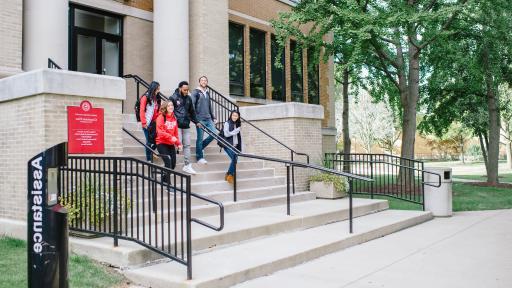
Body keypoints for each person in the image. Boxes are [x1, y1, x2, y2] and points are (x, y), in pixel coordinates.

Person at [170, 81, 201, 174]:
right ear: (180, 88)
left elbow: (192, 111)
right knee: (178, 144)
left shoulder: (189, 98)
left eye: (187, 90)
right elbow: (169, 111)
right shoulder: (173, 98)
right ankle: (171, 163)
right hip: (177, 125)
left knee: (187, 145)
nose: (186, 91)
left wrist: (196, 121)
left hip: (186, 125)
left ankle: (187, 165)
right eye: (184, 90)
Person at [191, 76, 217, 165]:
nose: (204, 81)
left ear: (207, 82)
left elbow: (209, 106)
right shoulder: (195, 92)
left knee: (214, 134)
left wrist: (213, 117)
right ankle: (199, 157)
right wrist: (195, 120)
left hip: (209, 118)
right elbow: (192, 106)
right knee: (200, 138)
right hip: (200, 119)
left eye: (205, 80)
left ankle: (200, 147)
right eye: (202, 80)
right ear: (199, 82)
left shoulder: (207, 92)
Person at [156, 101, 182, 183]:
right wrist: (171, 137)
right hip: (161, 143)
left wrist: (178, 143)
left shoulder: (174, 118)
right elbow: (160, 132)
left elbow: (176, 133)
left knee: (173, 165)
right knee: (168, 162)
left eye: (172, 105)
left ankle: (164, 178)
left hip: (170, 144)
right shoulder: (161, 117)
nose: (171, 107)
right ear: (165, 108)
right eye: (169, 105)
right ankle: (168, 184)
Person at [139, 81, 161, 162]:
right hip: (147, 123)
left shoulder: (157, 98)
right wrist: (144, 123)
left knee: (156, 141)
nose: (158, 90)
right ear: (153, 88)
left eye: (159, 89)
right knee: (148, 142)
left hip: (154, 123)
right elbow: (141, 110)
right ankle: (149, 159)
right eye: (157, 89)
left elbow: (157, 111)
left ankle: (151, 153)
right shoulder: (145, 97)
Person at [222, 110, 242, 184]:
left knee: (235, 159)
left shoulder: (238, 124)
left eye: (236, 116)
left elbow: (238, 136)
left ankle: (228, 173)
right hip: (227, 144)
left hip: (235, 145)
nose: (234, 117)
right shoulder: (227, 123)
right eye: (233, 115)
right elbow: (226, 134)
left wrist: (235, 131)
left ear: (238, 117)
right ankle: (230, 175)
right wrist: (235, 131)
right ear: (231, 115)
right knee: (234, 158)